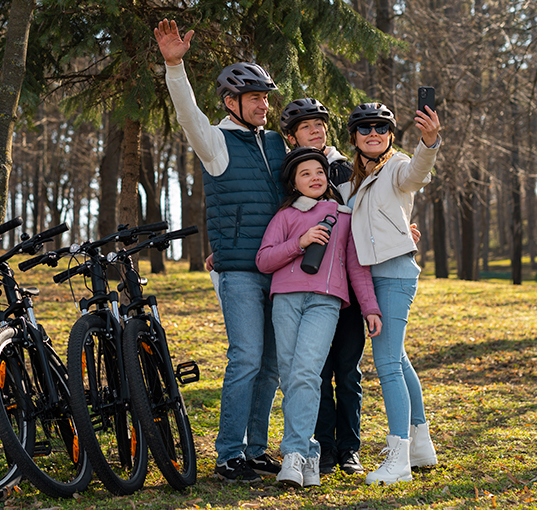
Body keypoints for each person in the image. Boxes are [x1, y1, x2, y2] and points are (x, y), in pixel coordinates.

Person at [155, 19, 284, 483]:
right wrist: (175, 67)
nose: (265, 106)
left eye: (267, 98)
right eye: (256, 99)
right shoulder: (216, 142)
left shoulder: (277, 142)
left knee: (270, 365)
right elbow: (188, 113)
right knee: (247, 357)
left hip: (281, 269)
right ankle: (229, 454)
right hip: (240, 272)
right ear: (232, 103)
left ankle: (254, 449)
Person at [256, 147, 381, 487]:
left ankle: (293, 455)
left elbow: (357, 266)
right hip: (285, 300)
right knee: (291, 376)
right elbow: (264, 260)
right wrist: (300, 242)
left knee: (307, 374)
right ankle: (310, 453)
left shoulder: (343, 217)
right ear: (294, 183)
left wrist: (369, 307)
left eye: (319, 172)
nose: (315, 178)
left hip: (325, 303)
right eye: (305, 173)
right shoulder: (284, 217)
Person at [339, 102, 440, 485]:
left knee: (386, 365)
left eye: (381, 127)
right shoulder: (353, 181)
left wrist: (428, 142)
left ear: (391, 135)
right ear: (354, 138)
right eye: (365, 129)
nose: (373, 133)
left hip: (395, 275)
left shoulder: (396, 166)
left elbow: (417, 173)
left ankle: (398, 458)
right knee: (398, 358)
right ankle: (420, 443)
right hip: (371, 276)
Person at [279, 98, 366, 476]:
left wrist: (402, 229)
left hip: (346, 283)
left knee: (347, 370)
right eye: (306, 126)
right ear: (291, 136)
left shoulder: (345, 168)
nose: (316, 130)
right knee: (315, 370)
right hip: (302, 288)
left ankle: (349, 448)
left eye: (320, 124)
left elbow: (366, 212)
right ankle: (322, 448)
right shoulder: (289, 174)